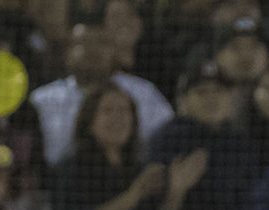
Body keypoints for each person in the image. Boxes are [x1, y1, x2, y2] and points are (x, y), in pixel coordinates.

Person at [29, 22, 173, 168]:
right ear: (67, 52)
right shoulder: (42, 100)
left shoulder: (143, 92)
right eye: (83, 43)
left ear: (115, 49)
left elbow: (170, 138)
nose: (93, 50)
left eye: (102, 42)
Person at [149, 59, 260, 210]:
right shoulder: (169, 139)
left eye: (219, 91)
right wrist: (176, 192)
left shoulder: (240, 142)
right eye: (201, 92)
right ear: (184, 100)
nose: (211, 98)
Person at [52, 84, 166, 210]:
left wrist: (176, 191)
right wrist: (134, 195)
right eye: (107, 110)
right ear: (89, 121)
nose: (117, 118)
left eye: (123, 110)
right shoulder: (72, 169)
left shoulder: (139, 169)